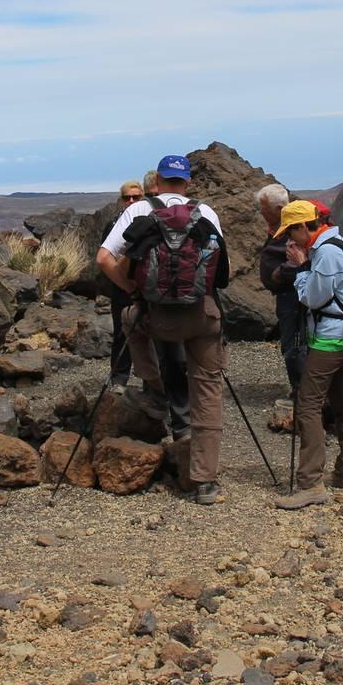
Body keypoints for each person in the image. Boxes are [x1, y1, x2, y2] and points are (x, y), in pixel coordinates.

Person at [97, 154, 229, 505]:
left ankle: (156, 391)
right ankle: (205, 482)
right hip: (200, 316)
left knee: (129, 319)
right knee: (208, 394)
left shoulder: (140, 210)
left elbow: (103, 258)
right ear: (188, 182)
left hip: (154, 315)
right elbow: (219, 270)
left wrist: (131, 289)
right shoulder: (207, 212)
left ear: (157, 181)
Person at [273, 201, 343, 509]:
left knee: (308, 405)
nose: (290, 240)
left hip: (329, 339)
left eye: (290, 233)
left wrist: (300, 268)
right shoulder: (338, 243)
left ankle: (311, 484)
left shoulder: (326, 252)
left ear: (303, 226)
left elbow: (312, 297)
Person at [256, 183, 306, 393]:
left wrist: (278, 273)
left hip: (293, 297)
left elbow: (297, 260)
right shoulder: (279, 230)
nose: (261, 213)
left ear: (279, 209)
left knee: (294, 344)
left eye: (264, 208)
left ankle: (301, 392)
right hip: (287, 296)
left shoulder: (292, 232)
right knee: (292, 343)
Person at [105, 179, 145, 389]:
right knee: (122, 334)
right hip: (122, 287)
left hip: (146, 286)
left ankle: (152, 383)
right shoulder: (113, 225)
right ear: (121, 200)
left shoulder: (152, 222)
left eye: (136, 197)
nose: (131, 201)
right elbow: (105, 257)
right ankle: (118, 380)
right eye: (127, 197)